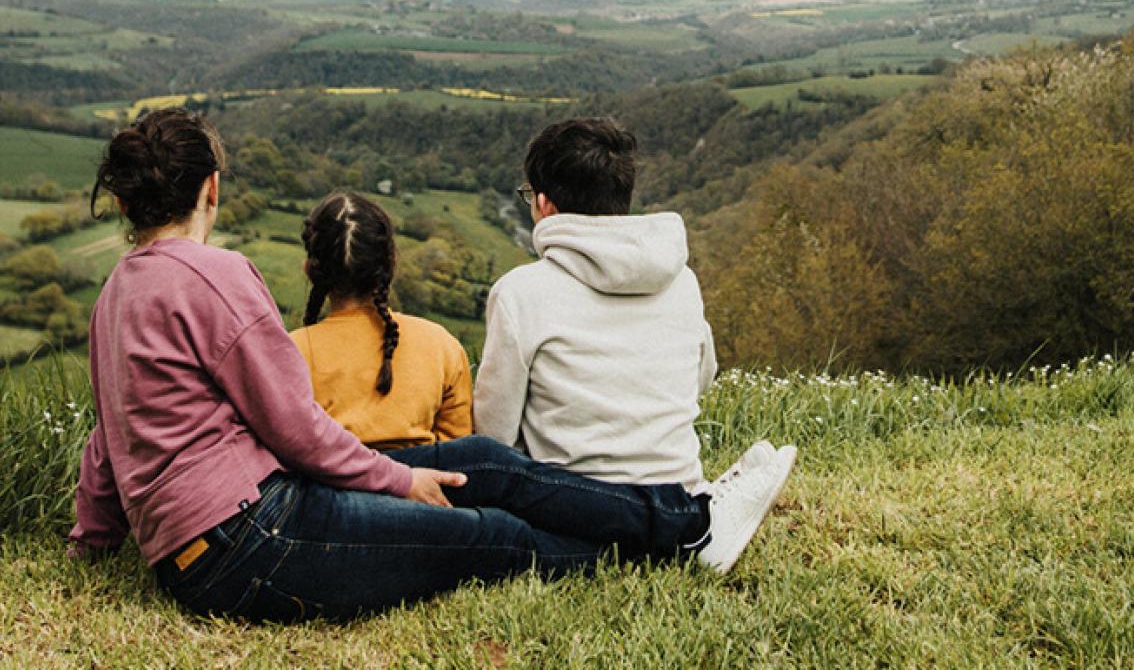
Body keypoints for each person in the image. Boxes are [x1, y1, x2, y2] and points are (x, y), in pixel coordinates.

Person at [67, 108, 792, 623]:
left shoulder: (117, 293)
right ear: (212, 188)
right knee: (490, 537)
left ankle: (679, 519)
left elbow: (107, 442)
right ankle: (684, 533)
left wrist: (92, 545)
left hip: (222, 538)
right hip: (249, 538)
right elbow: (292, 426)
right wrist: (398, 478)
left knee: (484, 461)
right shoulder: (213, 275)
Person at [471, 117, 796, 529]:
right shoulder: (681, 280)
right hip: (676, 483)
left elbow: (495, 431)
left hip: (567, 504)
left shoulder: (520, 291)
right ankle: (698, 510)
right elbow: (702, 375)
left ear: (544, 205)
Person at [291, 191, 472, 449]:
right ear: (391, 263)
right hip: (421, 486)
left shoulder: (290, 352)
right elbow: (458, 455)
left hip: (329, 484)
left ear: (309, 269)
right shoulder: (441, 344)